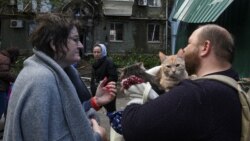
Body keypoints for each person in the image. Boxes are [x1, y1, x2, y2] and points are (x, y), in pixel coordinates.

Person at [3, 13, 117, 141]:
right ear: (54, 44)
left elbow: (64, 117)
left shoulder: (43, 71)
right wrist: (97, 136)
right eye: (75, 39)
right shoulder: (41, 81)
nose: (81, 45)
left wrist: (94, 101)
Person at [121, 24, 241, 141]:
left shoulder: (197, 93)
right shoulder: (233, 84)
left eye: (189, 43)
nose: (184, 49)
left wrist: (137, 95)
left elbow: (132, 127)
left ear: (205, 47)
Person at [91, 43, 118, 113]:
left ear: (102, 52)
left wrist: (103, 84)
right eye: (94, 52)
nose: (96, 54)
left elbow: (114, 76)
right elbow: (93, 79)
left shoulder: (108, 62)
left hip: (107, 92)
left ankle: (115, 123)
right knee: (92, 111)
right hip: (96, 93)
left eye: (98, 52)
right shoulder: (95, 64)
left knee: (111, 113)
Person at [0, 48, 19, 117]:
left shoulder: (2, 56)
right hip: (1, 88)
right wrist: (16, 78)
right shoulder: (6, 59)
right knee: (1, 108)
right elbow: (3, 73)